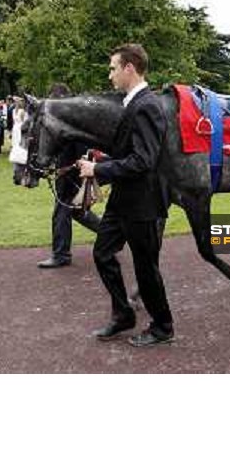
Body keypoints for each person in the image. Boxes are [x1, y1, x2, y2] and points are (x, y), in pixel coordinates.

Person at [77, 44, 174, 348]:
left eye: (113, 68)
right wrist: (102, 161)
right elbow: (132, 154)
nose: (110, 75)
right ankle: (123, 314)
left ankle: (163, 327)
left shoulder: (147, 105)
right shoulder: (135, 103)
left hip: (143, 202)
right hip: (124, 200)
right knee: (102, 252)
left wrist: (99, 170)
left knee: (146, 268)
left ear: (129, 68)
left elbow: (143, 161)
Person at [38, 83, 101, 269]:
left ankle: (61, 254)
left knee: (62, 211)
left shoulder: (73, 119)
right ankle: (113, 234)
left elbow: (81, 150)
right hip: (69, 171)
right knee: (77, 212)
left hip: (72, 173)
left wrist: (68, 168)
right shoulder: (70, 118)